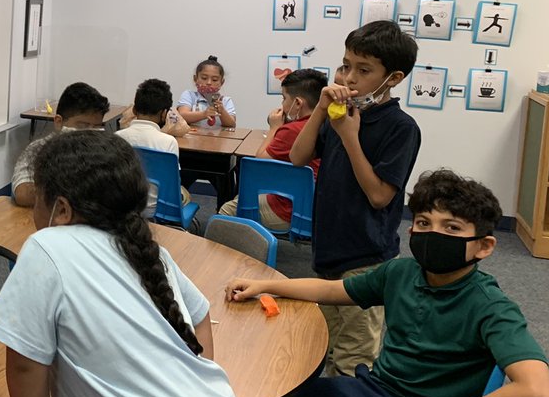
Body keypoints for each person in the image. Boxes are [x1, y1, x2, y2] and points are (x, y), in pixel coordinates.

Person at [227, 169, 549, 397]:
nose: (433, 234)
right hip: (371, 393)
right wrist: (267, 284)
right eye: (424, 222)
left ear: (484, 246)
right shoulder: (400, 273)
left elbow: (537, 391)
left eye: (451, 228)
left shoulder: (492, 307)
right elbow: (336, 291)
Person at [0, 132, 267, 397]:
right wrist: (188, 377)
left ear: (60, 209)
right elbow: (201, 316)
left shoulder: (47, 246)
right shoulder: (152, 254)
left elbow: (26, 365)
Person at [290, 21, 421, 376]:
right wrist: (320, 110)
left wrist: (349, 136)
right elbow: (297, 157)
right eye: (345, 65)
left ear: (392, 78)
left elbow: (379, 196)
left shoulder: (400, 128)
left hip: (365, 258)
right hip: (329, 250)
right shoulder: (338, 114)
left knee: (354, 360)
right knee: (323, 345)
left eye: (363, 70)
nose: (349, 77)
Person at [217, 68, 326, 231]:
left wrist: (274, 128)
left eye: (284, 98)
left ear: (297, 103)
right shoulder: (327, 124)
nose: (282, 104)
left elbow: (260, 160)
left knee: (227, 210)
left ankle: (238, 253)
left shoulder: (291, 130)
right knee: (244, 198)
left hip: (290, 209)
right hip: (318, 206)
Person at [11, 81, 109, 207]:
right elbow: (23, 194)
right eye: (82, 125)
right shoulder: (39, 149)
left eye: (96, 127)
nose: (89, 133)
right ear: (58, 122)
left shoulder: (103, 151)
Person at [115, 78, 190, 216]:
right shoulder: (168, 142)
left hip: (123, 208)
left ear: (135, 110)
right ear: (164, 113)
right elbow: (172, 182)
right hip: (157, 210)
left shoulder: (117, 137)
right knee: (185, 193)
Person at [176, 56, 236, 130]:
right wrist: (203, 114)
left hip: (218, 140)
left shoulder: (225, 101)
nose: (209, 83)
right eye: (204, 78)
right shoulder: (189, 95)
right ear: (195, 79)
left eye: (214, 80)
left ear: (222, 82)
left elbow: (232, 124)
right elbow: (182, 116)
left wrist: (222, 111)